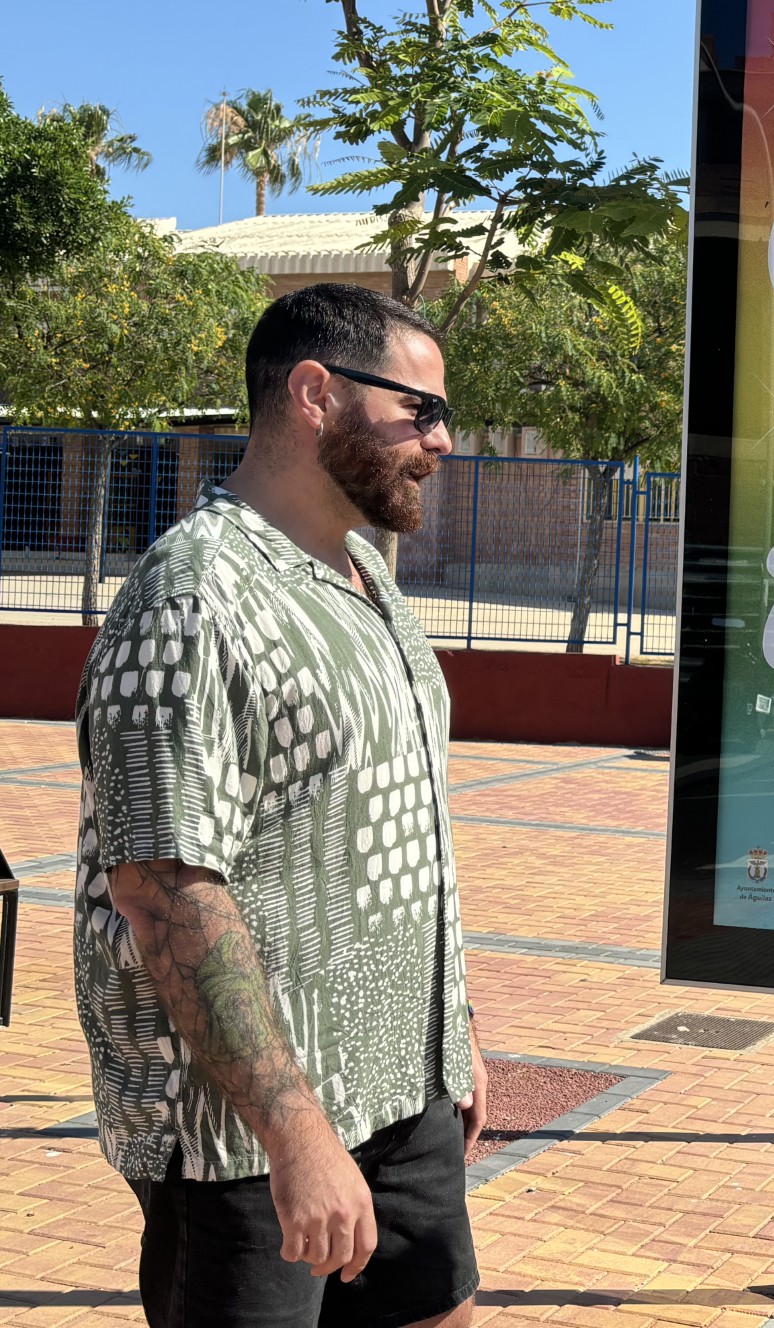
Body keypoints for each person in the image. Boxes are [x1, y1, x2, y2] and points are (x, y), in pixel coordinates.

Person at [72, 282, 486, 1328]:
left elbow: (392, 820)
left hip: (403, 1086)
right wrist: (295, 1134)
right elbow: (164, 883)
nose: (445, 440)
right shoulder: (192, 595)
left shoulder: (361, 575)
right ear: (315, 393)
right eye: (422, 410)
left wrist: (456, 1027)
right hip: (246, 1134)